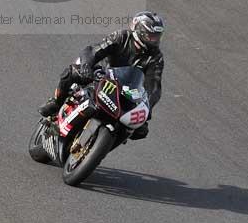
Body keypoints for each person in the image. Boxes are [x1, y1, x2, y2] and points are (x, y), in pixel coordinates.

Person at [39, 11, 165, 140]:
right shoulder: (121, 37)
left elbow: (154, 86)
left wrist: (147, 110)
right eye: (151, 36)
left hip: (125, 92)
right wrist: (86, 66)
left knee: (139, 131)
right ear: (139, 31)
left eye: (157, 36)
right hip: (101, 76)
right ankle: (56, 102)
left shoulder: (156, 57)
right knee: (71, 72)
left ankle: (103, 142)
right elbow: (93, 51)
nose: (154, 40)